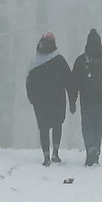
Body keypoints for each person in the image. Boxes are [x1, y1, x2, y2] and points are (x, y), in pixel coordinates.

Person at [26, 32, 75, 165]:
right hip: (57, 99)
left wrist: (32, 98)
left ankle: (46, 156)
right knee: (57, 125)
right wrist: (72, 101)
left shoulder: (35, 62)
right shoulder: (59, 60)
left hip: (40, 101)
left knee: (43, 128)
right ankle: (55, 153)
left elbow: (29, 82)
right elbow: (69, 81)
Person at [71, 29, 102, 166]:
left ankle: (90, 149)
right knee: (98, 126)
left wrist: (73, 100)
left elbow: (74, 82)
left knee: (87, 126)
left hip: (86, 99)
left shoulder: (81, 61)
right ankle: (96, 150)